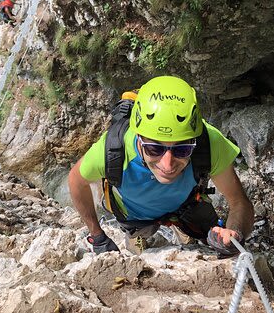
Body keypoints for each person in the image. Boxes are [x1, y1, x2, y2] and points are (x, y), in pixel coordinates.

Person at [68, 75, 254, 256]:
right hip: (136, 216)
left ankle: (182, 229)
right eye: (154, 149)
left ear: (194, 140)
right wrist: (97, 235)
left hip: (187, 205)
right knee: (140, 237)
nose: (168, 164)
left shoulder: (209, 143)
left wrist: (234, 233)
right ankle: (143, 235)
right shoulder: (113, 150)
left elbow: (238, 201)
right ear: (139, 139)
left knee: (213, 238)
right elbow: (76, 181)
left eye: (182, 150)